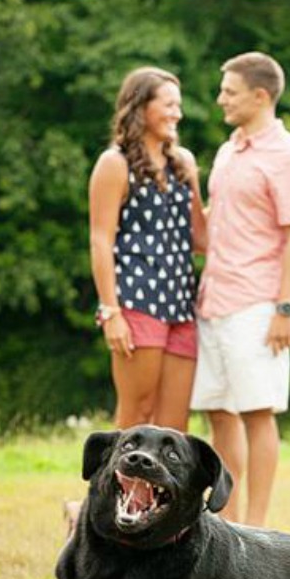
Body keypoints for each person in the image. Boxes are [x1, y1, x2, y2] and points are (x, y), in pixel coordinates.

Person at [191, 51, 290, 527]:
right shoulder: (228, 152)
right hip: (213, 302)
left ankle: (258, 530)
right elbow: (211, 227)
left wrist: (286, 307)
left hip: (258, 305)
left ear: (260, 95)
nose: (220, 98)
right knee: (219, 414)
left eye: (229, 91)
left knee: (256, 414)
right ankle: (228, 524)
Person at [89, 66, 206, 432]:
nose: (177, 113)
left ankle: (163, 493)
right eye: (169, 104)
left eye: (179, 105)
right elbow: (100, 240)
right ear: (140, 107)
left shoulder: (183, 163)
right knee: (135, 416)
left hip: (182, 306)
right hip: (137, 303)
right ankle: (108, 492)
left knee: (173, 428)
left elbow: (201, 238)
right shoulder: (114, 163)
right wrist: (111, 312)